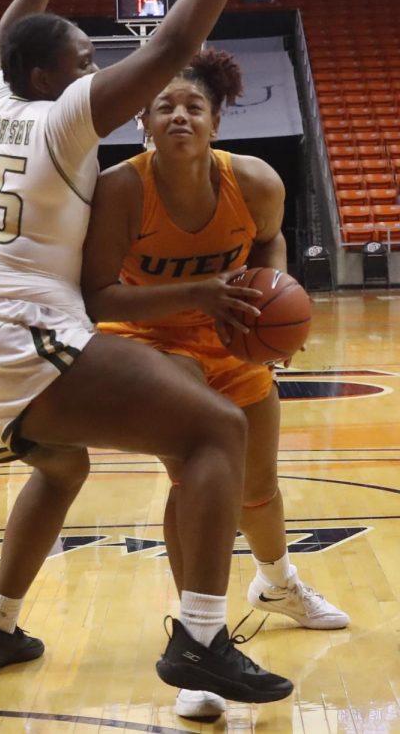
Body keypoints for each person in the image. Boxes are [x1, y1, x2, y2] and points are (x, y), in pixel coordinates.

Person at [0, 0, 299, 703]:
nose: (91, 66)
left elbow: (2, 38)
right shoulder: (61, 115)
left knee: (62, 468)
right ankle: (203, 639)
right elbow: (174, 43)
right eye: (79, 58)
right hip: (20, 333)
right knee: (214, 431)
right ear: (46, 79)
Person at [81, 47, 349, 719]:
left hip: (228, 336)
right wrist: (200, 292)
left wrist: (272, 302)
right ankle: (199, 641)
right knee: (197, 472)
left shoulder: (255, 182)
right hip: (150, 341)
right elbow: (98, 297)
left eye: (193, 106)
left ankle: (277, 582)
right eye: (164, 106)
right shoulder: (121, 188)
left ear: (216, 121)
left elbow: (270, 247)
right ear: (143, 120)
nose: (179, 115)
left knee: (257, 486)